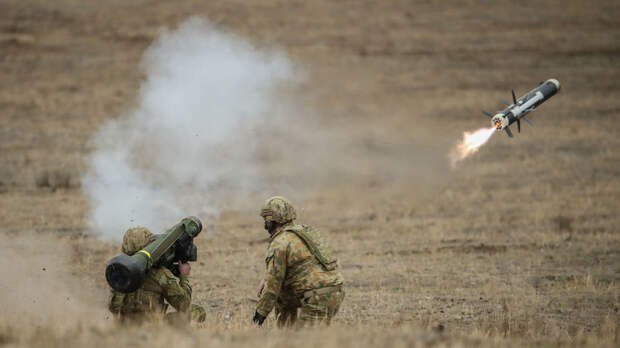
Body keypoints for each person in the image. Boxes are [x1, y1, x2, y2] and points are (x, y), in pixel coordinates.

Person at [252, 196, 344, 327]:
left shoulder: (280, 242)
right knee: (283, 299)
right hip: (334, 291)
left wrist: (258, 318)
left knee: (304, 341)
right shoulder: (304, 232)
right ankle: (286, 331)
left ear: (270, 221)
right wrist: (267, 278)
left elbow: (272, 287)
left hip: (317, 298)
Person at [108, 226, 206, 323]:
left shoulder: (118, 270)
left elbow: (113, 307)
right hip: (153, 326)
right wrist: (184, 277)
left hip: (124, 325)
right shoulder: (160, 275)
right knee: (197, 311)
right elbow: (184, 305)